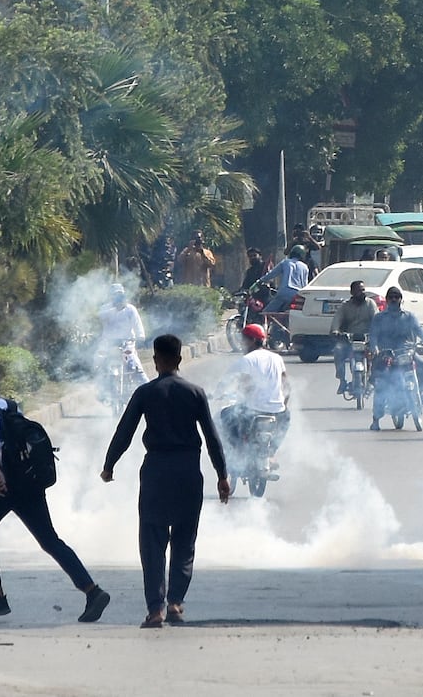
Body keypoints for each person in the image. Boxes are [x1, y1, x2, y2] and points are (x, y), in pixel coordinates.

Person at [0, 361, 111, 621]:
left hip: (6, 486)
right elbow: (14, 445)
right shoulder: (10, 406)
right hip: (28, 481)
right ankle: (92, 591)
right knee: (50, 540)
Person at [101, 335, 231, 629]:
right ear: (180, 359)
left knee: (152, 541)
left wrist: (109, 465)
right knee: (185, 539)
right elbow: (211, 437)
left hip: (156, 471)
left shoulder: (145, 393)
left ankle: (155, 609)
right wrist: (222, 475)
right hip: (188, 471)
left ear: (157, 359)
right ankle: (175, 602)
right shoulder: (195, 392)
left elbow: (125, 432)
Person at [367, 287, 423, 429]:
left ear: (401, 299)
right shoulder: (379, 318)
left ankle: (420, 392)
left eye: (397, 297)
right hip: (386, 354)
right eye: (391, 297)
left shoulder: (409, 316)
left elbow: (419, 329)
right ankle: (376, 420)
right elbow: (373, 336)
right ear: (387, 299)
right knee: (381, 386)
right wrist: (375, 348)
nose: (394, 300)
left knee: (422, 364)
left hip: (406, 351)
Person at [222, 323, 291, 451]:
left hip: (253, 411)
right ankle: (272, 453)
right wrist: (282, 405)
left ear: (252, 341)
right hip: (277, 411)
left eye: (243, 340)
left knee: (224, 415)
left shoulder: (246, 360)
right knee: (286, 417)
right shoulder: (277, 358)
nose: (242, 344)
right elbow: (286, 386)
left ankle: (239, 453)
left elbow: (237, 385)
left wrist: (220, 393)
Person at [330, 279, 378, 395]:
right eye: (358, 291)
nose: (361, 293)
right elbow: (337, 319)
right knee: (338, 350)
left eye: (363, 290)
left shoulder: (370, 304)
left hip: (367, 339)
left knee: (377, 353)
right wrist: (335, 331)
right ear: (352, 292)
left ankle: (372, 380)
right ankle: (342, 380)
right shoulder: (345, 306)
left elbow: (377, 320)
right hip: (349, 339)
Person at [98, 284, 149, 390]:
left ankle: (148, 390)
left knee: (135, 365)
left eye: (120, 295)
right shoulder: (105, 309)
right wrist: (114, 309)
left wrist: (140, 336)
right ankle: (102, 391)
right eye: (114, 295)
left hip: (127, 343)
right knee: (100, 363)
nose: (117, 298)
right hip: (109, 344)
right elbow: (101, 316)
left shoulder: (130, 309)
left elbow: (137, 324)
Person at [255, 245, 311, 314]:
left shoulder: (286, 262)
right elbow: (305, 285)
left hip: (284, 292)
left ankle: (265, 322)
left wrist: (260, 281)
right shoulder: (305, 267)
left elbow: (272, 274)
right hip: (298, 295)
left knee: (266, 313)